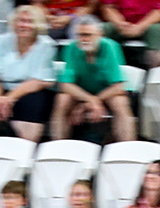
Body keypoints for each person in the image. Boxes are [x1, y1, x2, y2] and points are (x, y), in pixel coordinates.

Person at [0, 6, 61, 144]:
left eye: (29, 21)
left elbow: (39, 82)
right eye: (20, 21)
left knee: (30, 109)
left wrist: (9, 99)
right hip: (1, 88)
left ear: (37, 25)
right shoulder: (0, 41)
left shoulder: (46, 45)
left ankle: (25, 159)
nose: (23, 25)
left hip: (30, 90)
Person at [54, 16, 135, 144]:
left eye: (88, 35)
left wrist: (89, 103)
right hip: (84, 92)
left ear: (100, 34)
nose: (83, 39)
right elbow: (66, 85)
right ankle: (58, 146)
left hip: (107, 91)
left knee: (120, 102)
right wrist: (90, 100)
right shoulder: (71, 48)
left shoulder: (110, 47)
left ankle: (127, 147)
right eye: (80, 35)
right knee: (62, 99)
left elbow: (118, 86)